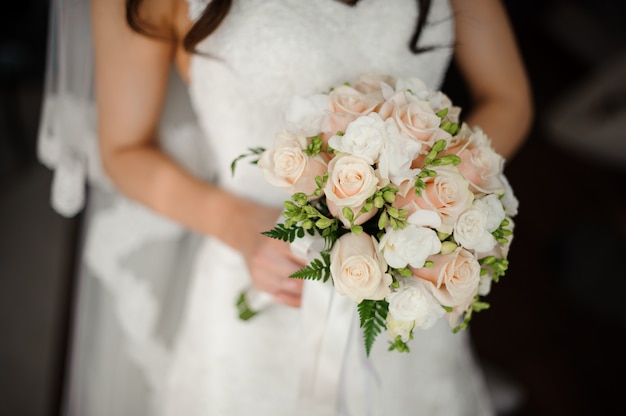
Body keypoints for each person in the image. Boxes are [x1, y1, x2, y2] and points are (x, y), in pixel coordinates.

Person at [40, 0, 532, 414]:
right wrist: (236, 225)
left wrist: (431, 194)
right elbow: (123, 150)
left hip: (411, 279)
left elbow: (507, 97)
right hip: (265, 273)